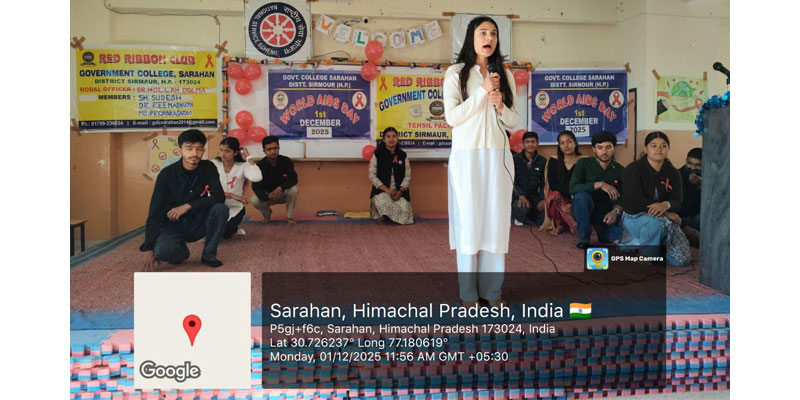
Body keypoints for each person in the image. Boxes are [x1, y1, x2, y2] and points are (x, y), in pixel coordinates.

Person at [443, 15, 520, 308]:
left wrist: (501, 107)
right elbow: (452, 117)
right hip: (467, 157)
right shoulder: (456, 73)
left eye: (494, 33)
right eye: (483, 33)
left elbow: (513, 120)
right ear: (471, 38)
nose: (489, 38)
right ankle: (468, 294)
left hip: (498, 157)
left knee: (495, 223)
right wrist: (482, 90)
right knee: (469, 224)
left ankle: (492, 292)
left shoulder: (505, 74)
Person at [140, 129, 228, 270]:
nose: (194, 153)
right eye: (189, 148)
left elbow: (219, 197)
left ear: (203, 150)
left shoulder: (208, 168)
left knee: (221, 209)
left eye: (199, 148)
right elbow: (155, 211)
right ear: (180, 149)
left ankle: (209, 255)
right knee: (163, 251)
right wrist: (149, 248)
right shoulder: (166, 174)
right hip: (174, 224)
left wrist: (188, 206)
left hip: (199, 221)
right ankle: (180, 252)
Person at [619, 131, 691, 266]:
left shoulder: (673, 172)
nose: (659, 149)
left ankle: (653, 247)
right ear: (645, 149)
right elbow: (634, 200)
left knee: (681, 260)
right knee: (654, 223)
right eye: (654, 145)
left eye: (663, 146)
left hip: (664, 220)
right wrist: (665, 212)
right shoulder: (633, 169)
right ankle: (645, 256)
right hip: (635, 217)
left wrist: (666, 205)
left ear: (668, 149)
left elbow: (677, 201)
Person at [569, 131, 624, 249]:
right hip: (585, 208)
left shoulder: (620, 170)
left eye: (608, 147)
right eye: (600, 148)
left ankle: (602, 230)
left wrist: (615, 211)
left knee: (612, 239)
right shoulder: (583, 163)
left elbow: (624, 197)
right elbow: (573, 188)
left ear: (614, 149)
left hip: (606, 213)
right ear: (594, 149)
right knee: (582, 197)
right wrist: (599, 184)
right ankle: (584, 238)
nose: (604, 152)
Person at [211, 137, 262, 238]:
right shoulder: (214, 164)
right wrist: (231, 195)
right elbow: (208, 189)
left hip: (235, 206)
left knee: (225, 234)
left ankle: (235, 227)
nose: (223, 154)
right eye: (221, 150)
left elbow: (257, 177)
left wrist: (248, 157)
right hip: (215, 205)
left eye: (227, 151)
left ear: (235, 153)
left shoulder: (242, 166)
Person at [540, 130, 582, 235]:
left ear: (575, 143)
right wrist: (568, 194)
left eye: (569, 142)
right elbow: (553, 184)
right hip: (560, 196)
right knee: (554, 196)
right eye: (562, 143)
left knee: (582, 199)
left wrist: (573, 199)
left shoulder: (583, 161)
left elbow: (584, 183)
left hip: (577, 196)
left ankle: (571, 223)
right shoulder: (554, 160)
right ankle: (565, 224)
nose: (566, 146)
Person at [369, 127, 414, 225]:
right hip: (382, 191)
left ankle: (389, 217)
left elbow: (407, 175)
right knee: (383, 202)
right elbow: (372, 176)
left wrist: (400, 191)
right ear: (384, 139)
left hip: (399, 192)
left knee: (405, 208)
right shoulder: (377, 154)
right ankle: (385, 216)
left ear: (397, 139)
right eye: (388, 136)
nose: (391, 139)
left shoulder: (403, 155)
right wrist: (388, 190)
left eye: (394, 136)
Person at [250, 136, 299, 224]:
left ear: (279, 148)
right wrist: (267, 196)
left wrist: (281, 188)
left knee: (293, 190)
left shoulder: (286, 161)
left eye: (275, 148)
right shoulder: (260, 166)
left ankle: (289, 217)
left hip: (282, 193)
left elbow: (293, 179)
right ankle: (267, 214)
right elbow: (256, 186)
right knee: (254, 200)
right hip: (268, 196)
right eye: (269, 149)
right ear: (264, 151)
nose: (273, 151)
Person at [512, 131, 546, 226]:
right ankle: (517, 216)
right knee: (522, 207)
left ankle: (529, 217)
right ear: (523, 144)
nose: (530, 144)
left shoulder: (543, 161)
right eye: (527, 142)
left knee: (543, 216)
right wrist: (520, 195)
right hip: (517, 196)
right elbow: (512, 180)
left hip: (534, 196)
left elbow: (543, 183)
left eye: (533, 141)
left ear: (537, 143)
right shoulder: (514, 159)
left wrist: (543, 199)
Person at [678, 148, 702, 247]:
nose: (692, 168)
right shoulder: (677, 175)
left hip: (699, 218)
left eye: (698, 165)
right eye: (689, 163)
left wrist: (701, 186)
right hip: (681, 220)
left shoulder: (709, 176)